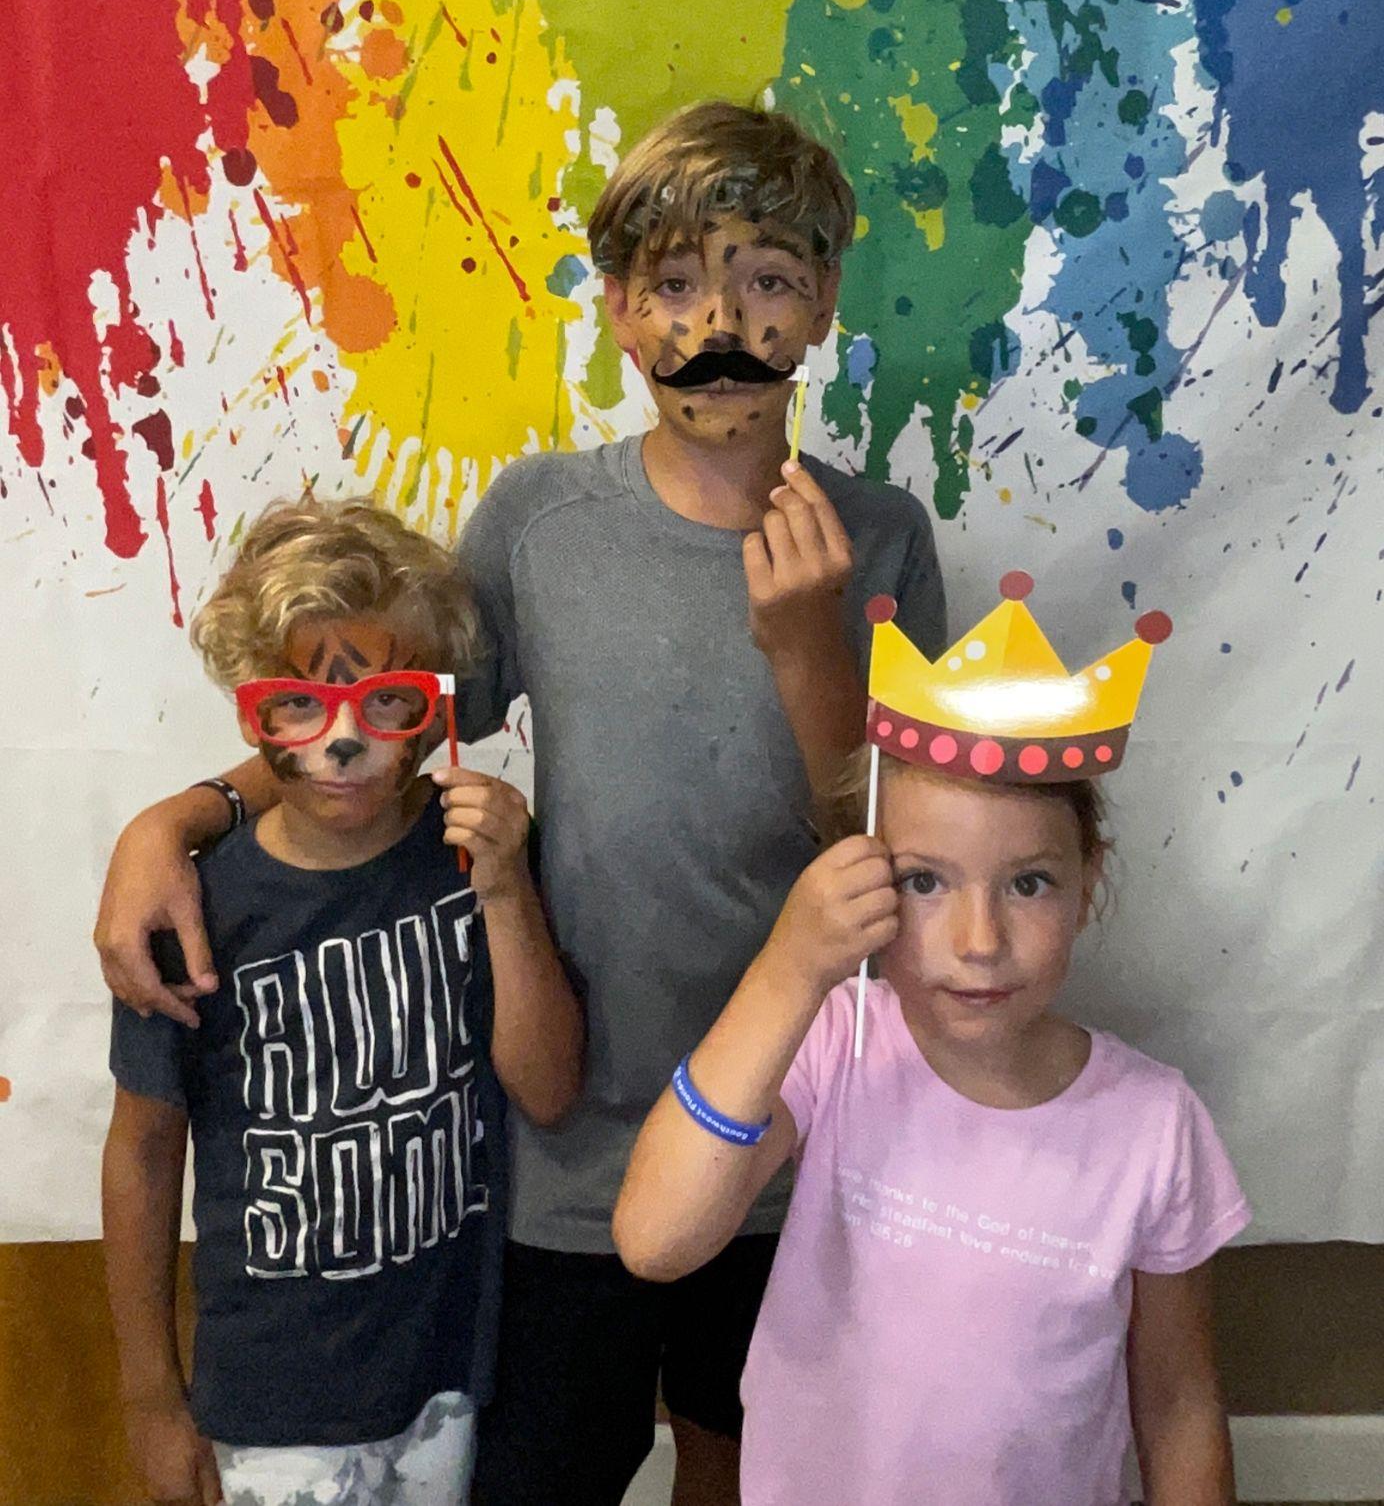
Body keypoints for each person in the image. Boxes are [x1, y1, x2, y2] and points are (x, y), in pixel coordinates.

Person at [95, 101, 947, 1505]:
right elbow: (385, 728)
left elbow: (897, 865)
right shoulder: (543, 520)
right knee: (548, 1466)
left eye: (766, 280)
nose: (719, 323)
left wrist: (812, 658)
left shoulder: (885, 539)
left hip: (794, 1138)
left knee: (746, 1458)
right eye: (675, 283)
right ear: (618, 309)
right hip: (571, 1150)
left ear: (822, 301)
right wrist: (179, 817)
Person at [615, 580, 1250, 1506]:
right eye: (924, 882)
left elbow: (1178, 1402)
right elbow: (655, 1239)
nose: (979, 940)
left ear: (1088, 883)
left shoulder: (1155, 1125)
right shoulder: (836, 1043)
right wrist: (790, 968)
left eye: (1028, 884)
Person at [102, 498, 582, 1506]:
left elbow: (546, 1090)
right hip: (272, 1401)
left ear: (435, 709)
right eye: (299, 705)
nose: (345, 741)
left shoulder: (478, 860)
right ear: (253, 711)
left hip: (453, 1378)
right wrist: (149, 1395)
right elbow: (143, 1151)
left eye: (388, 702)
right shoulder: (192, 906)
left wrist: (504, 893)